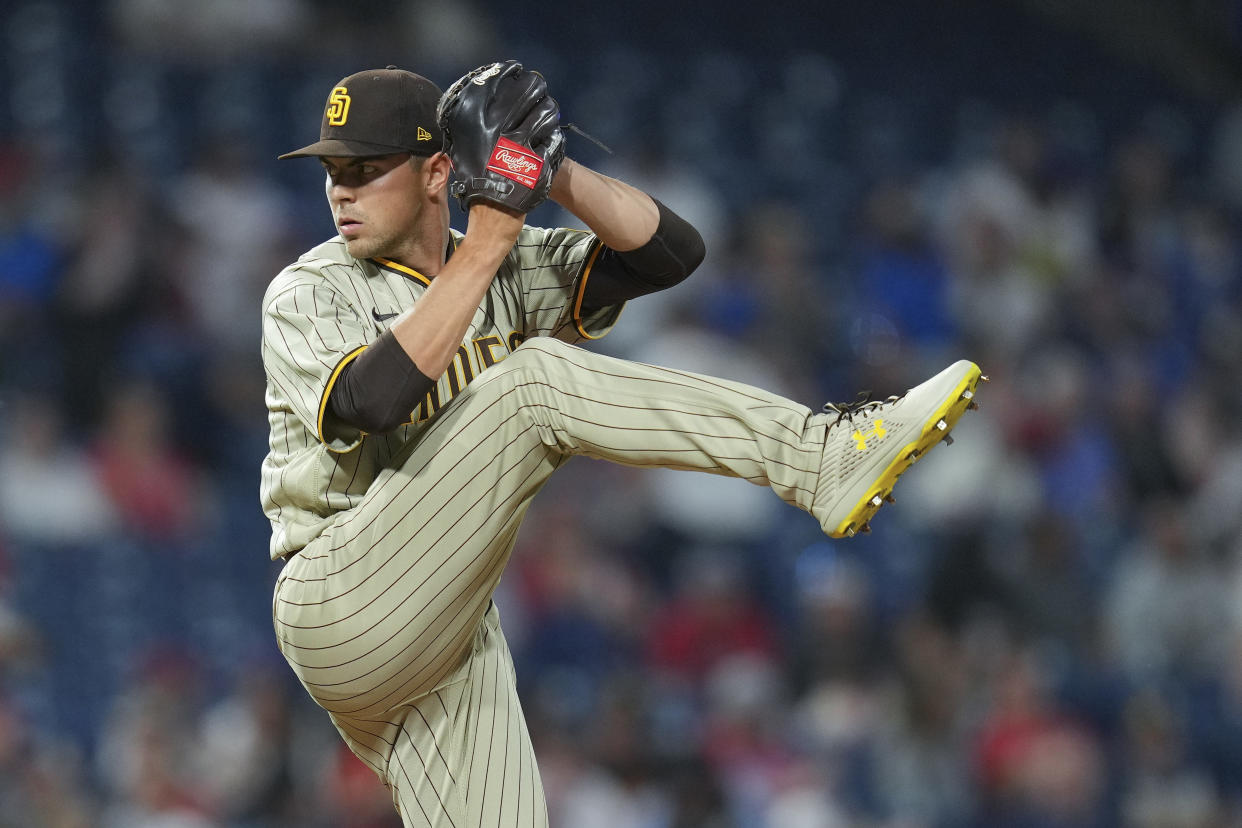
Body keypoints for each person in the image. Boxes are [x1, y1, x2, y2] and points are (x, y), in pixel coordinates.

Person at [261, 61, 984, 828]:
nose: (340, 188)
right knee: (535, 381)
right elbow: (370, 403)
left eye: (365, 168)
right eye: (333, 169)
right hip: (339, 595)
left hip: (446, 636)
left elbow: (667, 253)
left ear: (438, 171)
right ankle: (818, 458)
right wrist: (485, 245)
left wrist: (553, 167)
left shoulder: (503, 262)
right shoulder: (312, 289)